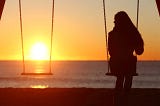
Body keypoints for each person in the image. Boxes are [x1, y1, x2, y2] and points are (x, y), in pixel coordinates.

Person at [108, 11, 144, 105]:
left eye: (116, 21)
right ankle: (124, 99)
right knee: (126, 78)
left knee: (120, 79)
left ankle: (117, 100)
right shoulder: (133, 33)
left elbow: (111, 52)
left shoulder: (112, 34)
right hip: (127, 64)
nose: (114, 23)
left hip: (118, 63)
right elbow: (139, 51)